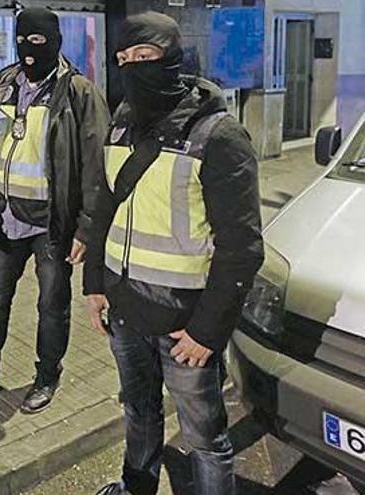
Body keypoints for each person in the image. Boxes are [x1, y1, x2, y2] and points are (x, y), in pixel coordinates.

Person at [83, 12, 264, 495]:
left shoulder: (218, 135)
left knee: (205, 438)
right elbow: (105, 206)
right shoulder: (121, 123)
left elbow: (242, 248)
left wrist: (208, 330)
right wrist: (94, 285)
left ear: (173, 58)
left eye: (143, 56)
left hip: (185, 324)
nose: (131, 67)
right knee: (137, 412)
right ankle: (135, 486)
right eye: (123, 59)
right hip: (124, 311)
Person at [0, 7, 110, 414]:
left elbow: (96, 165)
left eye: (38, 41)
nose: (29, 50)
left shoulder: (79, 93)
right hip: (5, 216)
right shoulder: (1, 85)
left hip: (52, 224)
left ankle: (47, 376)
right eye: (23, 40)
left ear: (54, 41)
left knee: (51, 305)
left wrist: (86, 230)